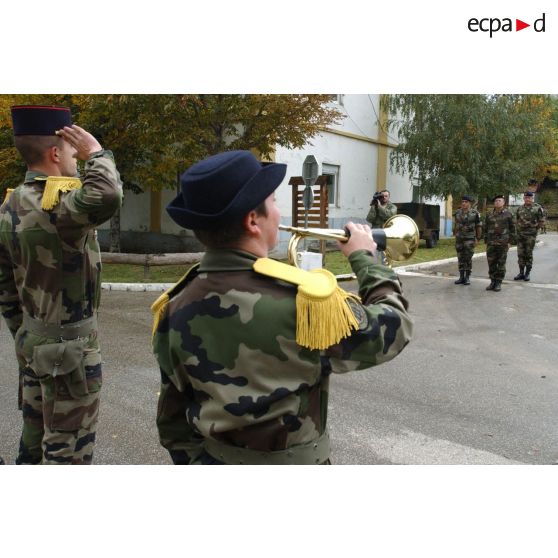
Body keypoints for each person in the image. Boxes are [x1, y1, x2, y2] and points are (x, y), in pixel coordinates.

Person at [152, 150, 413, 465]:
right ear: (252, 220)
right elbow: (394, 327)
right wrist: (365, 258)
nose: (278, 213)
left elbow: (172, 423)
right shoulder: (305, 302)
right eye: (274, 203)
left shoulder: (173, 306)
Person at [0, 105, 122, 464]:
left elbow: (6, 287)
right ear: (55, 153)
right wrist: (98, 153)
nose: (77, 161)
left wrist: (25, 333)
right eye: (73, 153)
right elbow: (108, 195)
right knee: (68, 449)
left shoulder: (11, 205)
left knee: (35, 439)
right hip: (70, 349)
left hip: (33, 342)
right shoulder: (62, 206)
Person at [483, 194, 516, 292]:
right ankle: (492, 281)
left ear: (503, 202)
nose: (497, 202)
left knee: (501, 263)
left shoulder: (509, 214)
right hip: (491, 243)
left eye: (499, 200)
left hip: (503, 243)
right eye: (496, 201)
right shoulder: (489, 214)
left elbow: (513, 229)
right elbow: (485, 228)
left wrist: (510, 241)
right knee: (491, 263)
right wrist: (486, 240)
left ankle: (498, 282)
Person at [513, 191, 545, 282]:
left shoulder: (537, 208)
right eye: (526, 197)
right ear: (524, 198)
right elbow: (517, 220)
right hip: (520, 235)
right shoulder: (519, 208)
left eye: (529, 198)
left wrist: (535, 230)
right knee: (520, 254)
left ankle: (527, 273)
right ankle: (521, 273)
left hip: (530, 236)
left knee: (528, 254)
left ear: (532, 198)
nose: (527, 199)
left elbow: (541, 221)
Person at [452, 195, 482, 285]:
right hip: (459, 239)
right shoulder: (457, 212)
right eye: (463, 202)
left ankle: (467, 277)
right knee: (460, 257)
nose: (464, 203)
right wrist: (455, 233)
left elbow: (478, 226)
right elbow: (456, 224)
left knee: (468, 258)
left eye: (466, 202)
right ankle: (461, 277)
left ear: (469, 203)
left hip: (469, 239)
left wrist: (477, 238)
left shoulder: (475, 213)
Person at [366, 190, 397, 264]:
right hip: (375, 234)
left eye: (386, 196)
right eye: (382, 196)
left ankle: (385, 272)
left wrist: (379, 207)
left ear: (389, 197)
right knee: (373, 257)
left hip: (386, 235)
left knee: (385, 258)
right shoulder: (375, 206)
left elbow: (389, 215)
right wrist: (374, 207)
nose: (384, 197)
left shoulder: (392, 207)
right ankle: (374, 272)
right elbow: (369, 219)